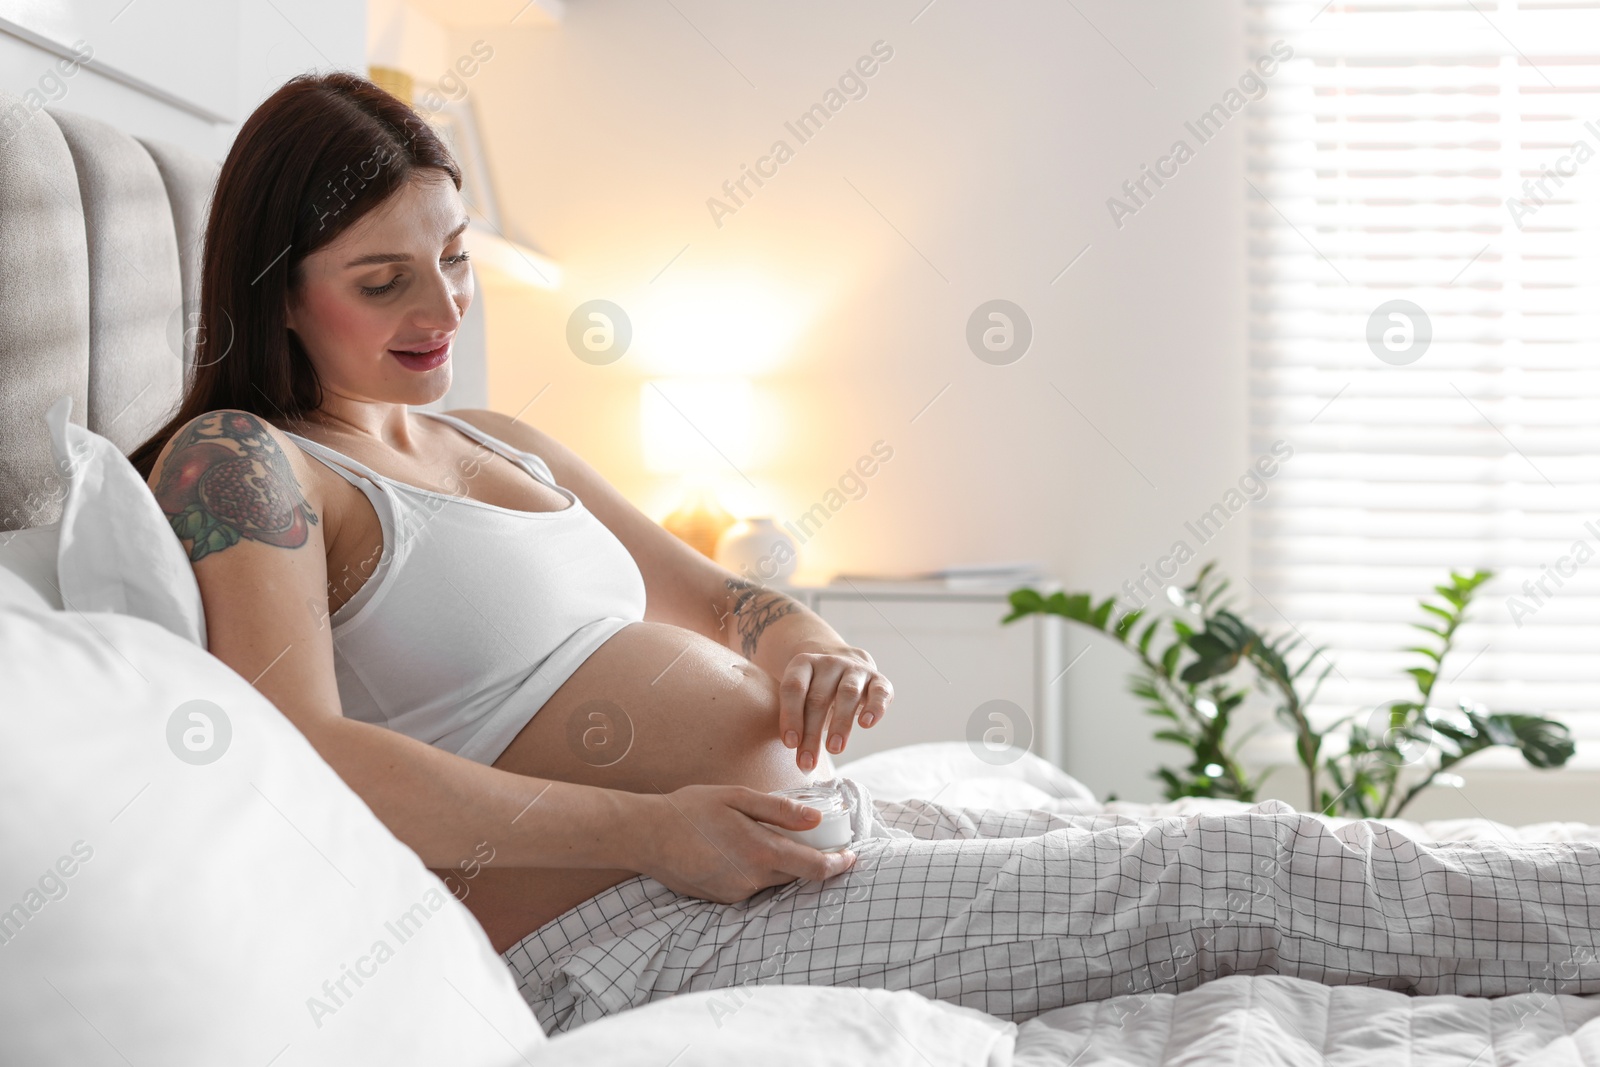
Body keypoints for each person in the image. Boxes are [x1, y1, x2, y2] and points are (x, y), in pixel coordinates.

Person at [131, 72, 1600, 1034]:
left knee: (1195, 846)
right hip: (617, 927)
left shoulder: (501, 438)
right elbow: (310, 753)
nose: (441, 307)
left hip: (769, 855)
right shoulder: (246, 464)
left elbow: (718, 596)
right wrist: (654, 831)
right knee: (1229, 872)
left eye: (454, 257)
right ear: (277, 287)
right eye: (381, 279)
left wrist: (800, 645)